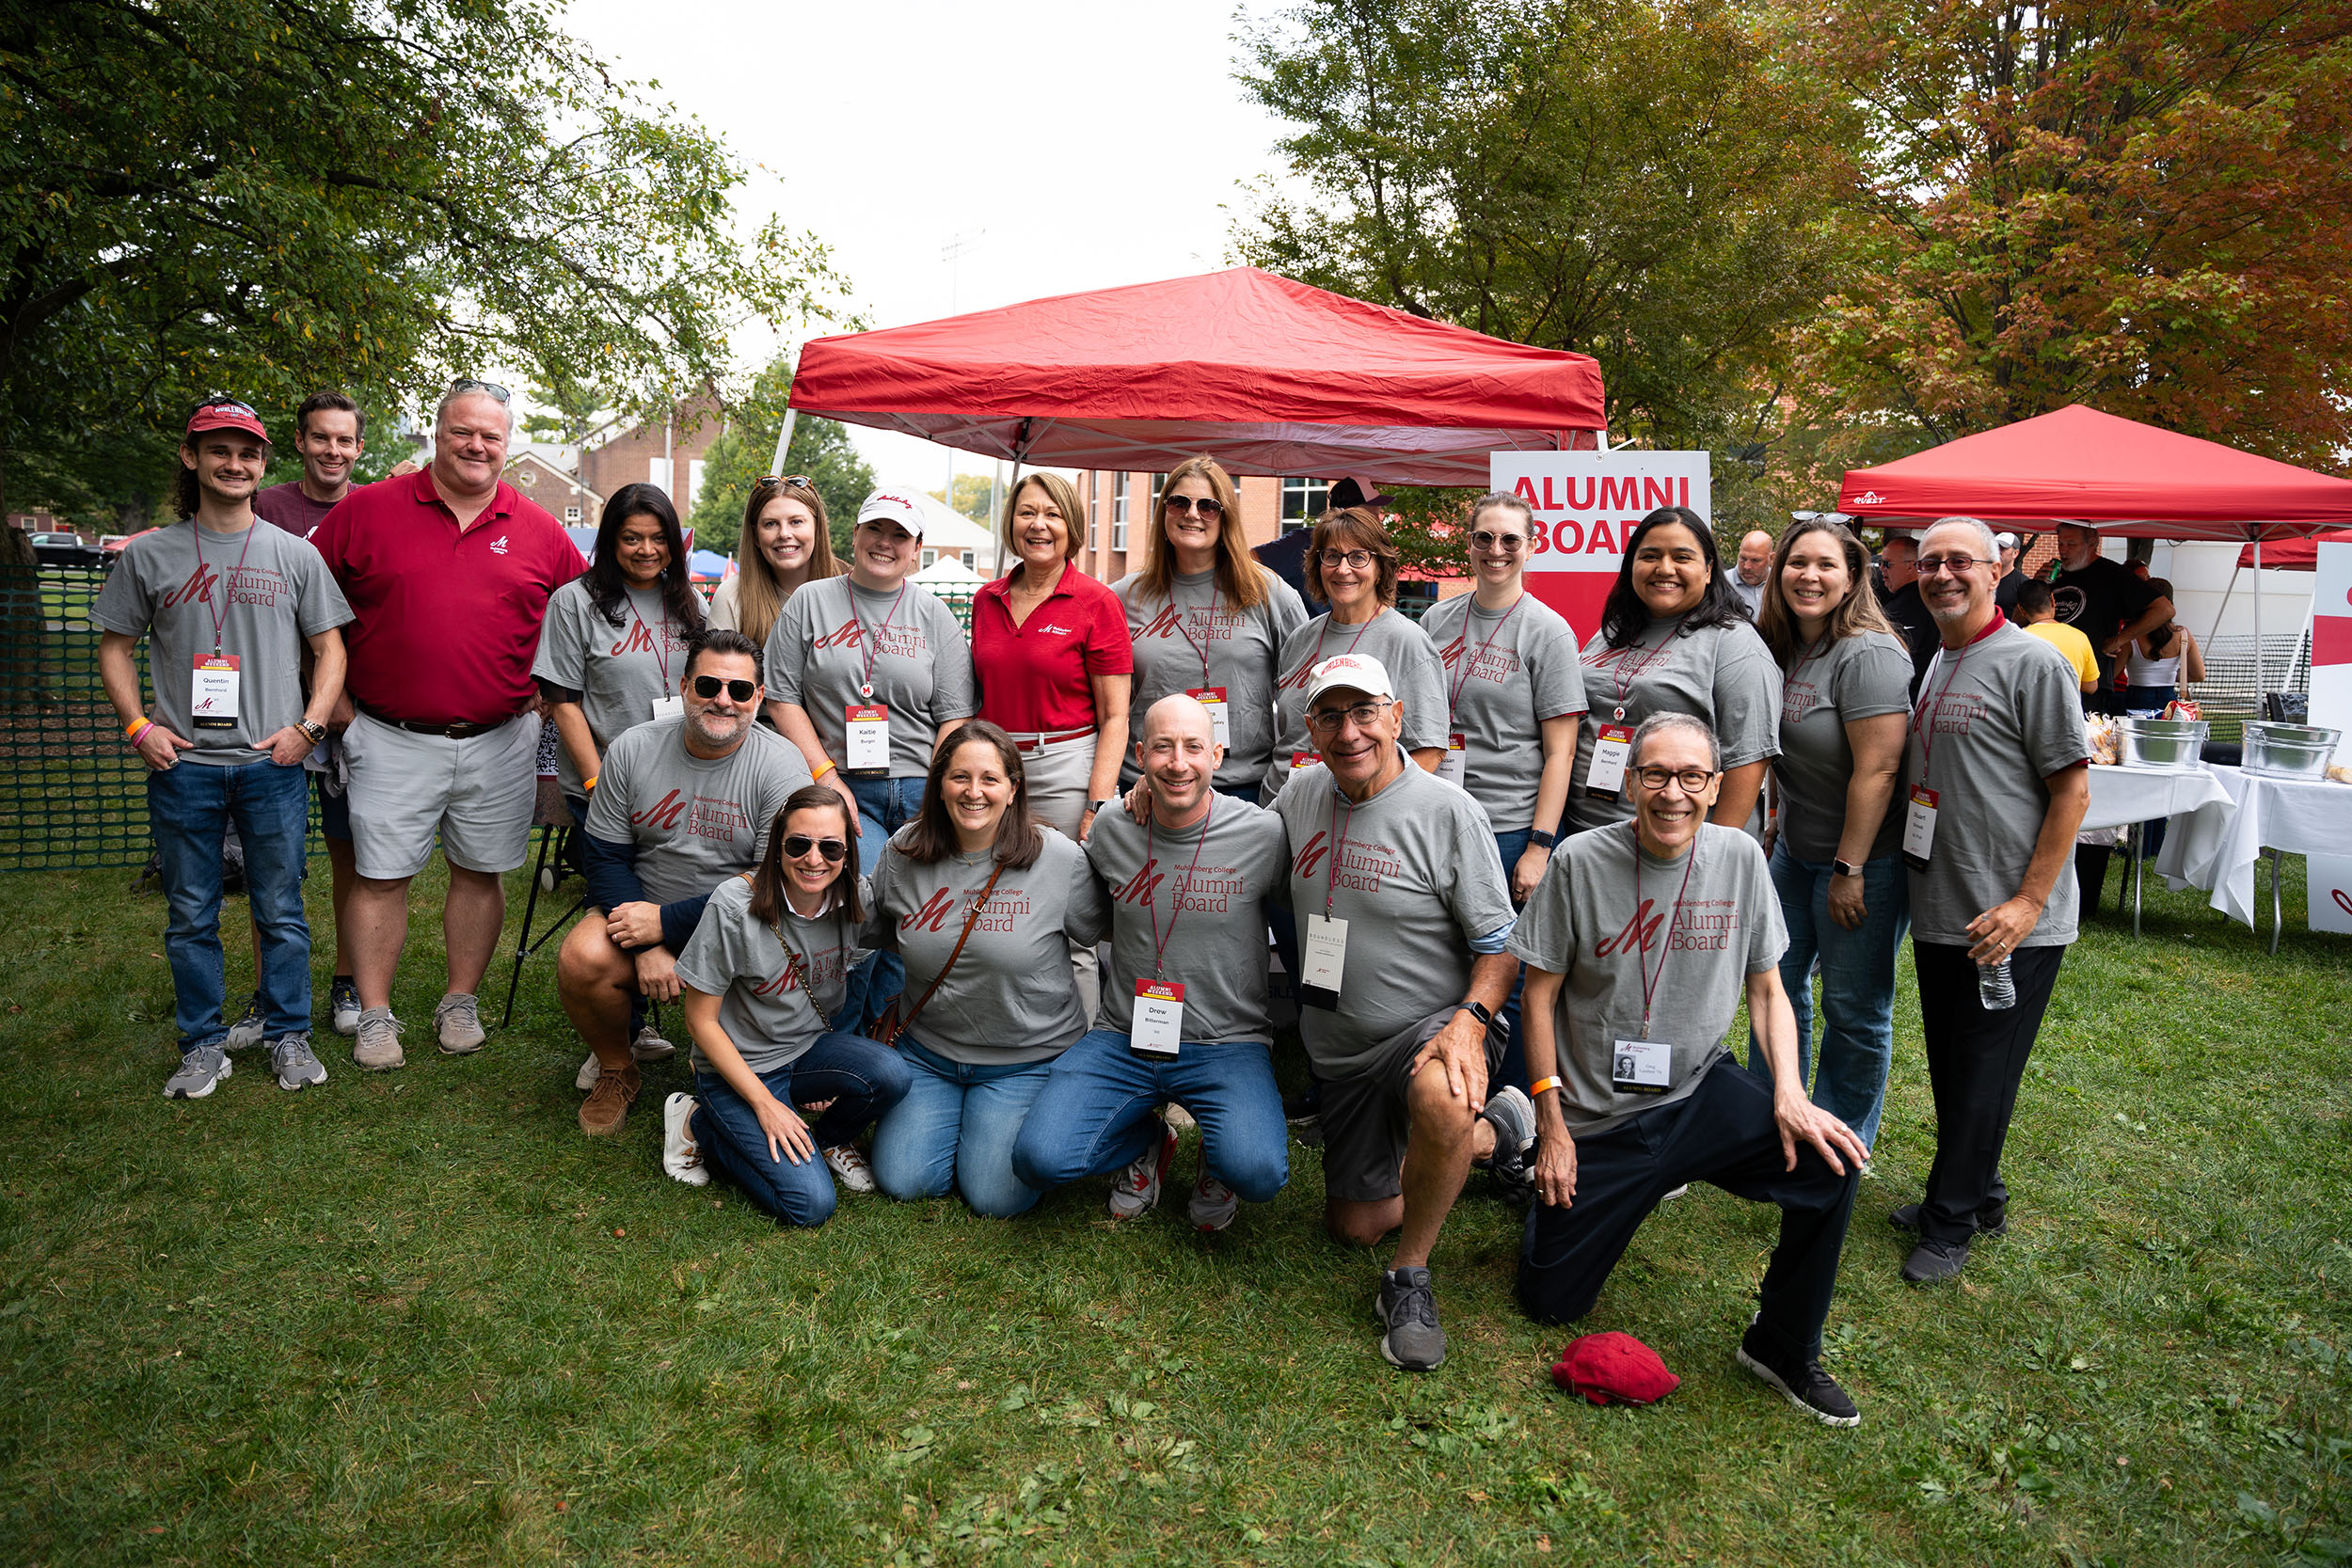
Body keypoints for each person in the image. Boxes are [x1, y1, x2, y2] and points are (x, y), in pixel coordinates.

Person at [1511, 714, 1871, 1427]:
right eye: (1655, 774)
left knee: (1832, 1168)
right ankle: (1528, 1169)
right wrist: (1552, 1123)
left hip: (1699, 1091)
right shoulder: (1580, 863)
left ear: (1714, 788)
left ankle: (1782, 1345)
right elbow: (1540, 994)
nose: (1671, 793)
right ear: (1630, 781)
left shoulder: (1739, 858)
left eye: (1690, 777)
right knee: (1548, 1302)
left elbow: (1768, 990)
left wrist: (1791, 1092)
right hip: (1598, 1123)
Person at [311, 379, 584, 1070]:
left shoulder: (541, 529)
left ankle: (458, 1000)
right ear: (437, 434)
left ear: (507, 443)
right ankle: (375, 1014)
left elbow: (584, 616)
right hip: (388, 732)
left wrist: (555, 691)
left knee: (481, 871)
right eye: (463, 431)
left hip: (501, 738)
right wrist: (327, 697)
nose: (476, 445)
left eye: (491, 435)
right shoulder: (366, 511)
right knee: (379, 875)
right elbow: (301, 600)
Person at [1269, 653, 1527, 1371]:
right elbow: (1233, 846)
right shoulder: (1299, 795)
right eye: (1330, 715)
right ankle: (1494, 1137)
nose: (1349, 731)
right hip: (1342, 1053)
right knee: (1353, 1225)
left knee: (1443, 1094)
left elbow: (1503, 947)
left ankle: (1409, 1277)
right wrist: (1146, 803)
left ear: (1397, 718)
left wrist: (1468, 1022)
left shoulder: (1449, 810)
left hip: (1432, 1022)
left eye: (1364, 713)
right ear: (1311, 727)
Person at [94, 397, 352, 1098]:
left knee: (281, 907)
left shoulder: (296, 554)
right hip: (183, 768)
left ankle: (288, 1033)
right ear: (192, 458)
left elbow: (331, 651)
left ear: (264, 463)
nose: (234, 464)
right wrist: (138, 727)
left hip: (271, 766)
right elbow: (115, 646)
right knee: (190, 913)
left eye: (247, 453)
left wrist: (309, 727)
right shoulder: (150, 554)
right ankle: (202, 1043)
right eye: (219, 451)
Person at [1893, 516, 2090, 1284]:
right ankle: (1982, 1192)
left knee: (1981, 1068)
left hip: (2005, 920)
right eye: (1931, 561)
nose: (1943, 573)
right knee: (1956, 1062)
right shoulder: (1941, 658)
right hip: (1945, 903)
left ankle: (1950, 1224)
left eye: (1960, 562)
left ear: (1997, 567)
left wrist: (2028, 903)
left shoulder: (2031, 662)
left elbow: (2073, 788)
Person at [1011, 694, 1293, 1230]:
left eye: (1192, 747)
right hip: (1124, 1035)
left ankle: (1219, 1155)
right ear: (1140, 756)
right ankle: (1148, 1139)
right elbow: (1091, 915)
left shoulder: (1263, 834)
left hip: (1226, 1042)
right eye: (1162, 748)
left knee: (1257, 1172)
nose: (1178, 763)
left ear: (1218, 753)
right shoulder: (1114, 829)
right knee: (1039, 1159)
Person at [561, 630, 811, 1133]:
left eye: (740, 691)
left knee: (727, 1077)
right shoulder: (633, 749)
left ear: (759, 698)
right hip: (640, 912)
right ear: (683, 687)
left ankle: (739, 1060)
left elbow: (772, 882)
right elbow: (604, 856)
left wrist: (666, 924)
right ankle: (616, 1067)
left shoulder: (782, 765)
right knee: (581, 956)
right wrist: (645, 943)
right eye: (709, 684)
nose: (724, 699)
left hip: (741, 925)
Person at [864, 721, 1111, 1217]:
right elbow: (871, 933)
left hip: (1026, 1058)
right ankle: (960, 1123)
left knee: (996, 1197)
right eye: (959, 777)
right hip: (928, 1052)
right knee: (904, 1179)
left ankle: (1132, 1135)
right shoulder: (903, 852)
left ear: (1013, 787)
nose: (973, 792)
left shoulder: (1058, 858)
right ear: (938, 784)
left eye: (990, 779)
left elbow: (1109, 936)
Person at [533, 483, 710, 1086]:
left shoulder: (689, 603)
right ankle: (621, 1032)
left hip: (679, 784)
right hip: (604, 780)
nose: (645, 549)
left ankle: (648, 1016)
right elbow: (561, 700)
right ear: (610, 540)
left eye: (658, 537)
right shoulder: (574, 602)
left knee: (662, 891)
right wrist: (597, 778)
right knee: (616, 896)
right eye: (631, 537)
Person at [667, 785, 912, 1221]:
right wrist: (765, 1105)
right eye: (799, 844)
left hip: (806, 1052)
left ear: (847, 853)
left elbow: (916, 936)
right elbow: (699, 1021)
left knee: (890, 1074)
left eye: (831, 848)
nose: (814, 860)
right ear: (777, 845)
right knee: (809, 1205)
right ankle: (697, 1122)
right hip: (737, 1069)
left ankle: (831, 1139)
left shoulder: (853, 898)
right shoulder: (733, 907)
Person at [1417, 491, 1586, 1085]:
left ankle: (1511, 1103)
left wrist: (1541, 843)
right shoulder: (1436, 622)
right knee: (1446, 961)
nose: (1496, 550)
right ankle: (1445, 1080)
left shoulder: (1548, 632)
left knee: (1509, 973)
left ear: (1530, 546)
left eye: (1509, 539)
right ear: (1469, 544)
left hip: (1511, 826)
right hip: (1438, 818)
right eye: (1484, 537)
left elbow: (1561, 750)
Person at [1755, 518, 1913, 1148]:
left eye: (1826, 565)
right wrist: (1774, 818)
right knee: (1774, 983)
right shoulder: (1783, 644)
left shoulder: (1867, 652)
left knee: (1854, 1006)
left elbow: (1877, 770)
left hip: (1864, 860)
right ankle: (1773, 1121)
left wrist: (1849, 870)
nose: (1809, 575)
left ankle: (1843, 1138)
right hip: (1796, 850)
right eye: (1798, 562)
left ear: (1853, 578)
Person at [970, 471, 1133, 1022]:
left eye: (1053, 514)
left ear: (1072, 526)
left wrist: (1096, 802)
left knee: (1070, 921)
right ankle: (1011, 1031)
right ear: (1011, 522)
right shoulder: (985, 599)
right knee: (997, 908)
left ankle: (1079, 1052)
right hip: (994, 772)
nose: (1038, 525)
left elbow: (1116, 716)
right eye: (1026, 513)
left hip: (1065, 765)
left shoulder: (1096, 602)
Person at [764, 488, 979, 879]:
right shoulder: (808, 601)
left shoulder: (934, 614)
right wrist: (827, 780)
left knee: (918, 899)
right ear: (854, 534)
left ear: (916, 548)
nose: (884, 542)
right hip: (843, 783)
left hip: (921, 786)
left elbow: (955, 714)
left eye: (899, 535)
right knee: (867, 893)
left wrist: (936, 790)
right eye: (874, 528)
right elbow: (781, 699)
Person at [248, 390, 373, 1037]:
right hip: (270, 705)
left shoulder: (374, 508)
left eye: (344, 440)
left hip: (351, 713)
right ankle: (271, 988)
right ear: (298, 441)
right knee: (272, 857)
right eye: (320, 437)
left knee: (352, 853)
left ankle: (348, 982)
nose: (333, 450)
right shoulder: (263, 506)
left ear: (359, 446)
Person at [1565, 507, 1779, 837]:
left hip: (1675, 851)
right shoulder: (1615, 629)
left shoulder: (1736, 645)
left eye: (1682, 557)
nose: (1665, 569)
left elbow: (1747, 763)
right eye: (1650, 556)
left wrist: (1711, 857)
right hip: (1582, 836)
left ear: (1709, 570)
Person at [1114, 454, 1309, 806]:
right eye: (1179, 502)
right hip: (1149, 789)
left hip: (1245, 789)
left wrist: (1279, 788)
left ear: (1226, 516)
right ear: (1164, 512)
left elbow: (1304, 700)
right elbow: (1107, 708)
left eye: (1208, 506)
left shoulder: (1270, 593)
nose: (1192, 513)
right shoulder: (1124, 597)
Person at [1263, 507, 1448, 800]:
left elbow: (1429, 751)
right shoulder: (1300, 639)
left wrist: (1374, 810)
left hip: (1348, 818)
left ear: (1380, 568)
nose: (1343, 569)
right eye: (1332, 556)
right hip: (1278, 807)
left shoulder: (1407, 641)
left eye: (1358, 557)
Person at [2046, 522, 2172, 714]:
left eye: (2071, 544)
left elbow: (2164, 609)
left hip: (2089, 681)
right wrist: (2037, 586)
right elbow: (2021, 619)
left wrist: (2120, 639)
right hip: (2048, 673)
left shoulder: (2112, 574)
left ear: (2092, 544)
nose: (2063, 550)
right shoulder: (2053, 574)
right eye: (2060, 543)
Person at [707, 474, 841, 650]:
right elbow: (717, 672)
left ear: (817, 528)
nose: (784, 534)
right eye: (771, 524)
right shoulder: (732, 596)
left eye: (796, 522)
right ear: (755, 535)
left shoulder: (850, 585)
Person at [1875, 532, 1940, 686]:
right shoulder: (1927, 598)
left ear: (1911, 566)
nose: (1882, 570)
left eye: (1887, 564)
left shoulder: (1904, 607)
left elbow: (1889, 665)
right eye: (1880, 563)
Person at [2015, 579, 2099, 697]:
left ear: (2021, 610)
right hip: (2069, 711)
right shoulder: (2079, 636)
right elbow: (2091, 687)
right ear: (2053, 601)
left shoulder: (2018, 640)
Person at [1728, 529, 1774, 617]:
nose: (1747, 566)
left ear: (1771, 559)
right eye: (1743, 558)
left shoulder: (1781, 583)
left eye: (1755, 560)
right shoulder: (1723, 584)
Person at [1992, 532, 2028, 612]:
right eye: (1995, 547)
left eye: (2003, 548)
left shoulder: (2023, 584)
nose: (1998, 551)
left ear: (2015, 553)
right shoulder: (1982, 578)